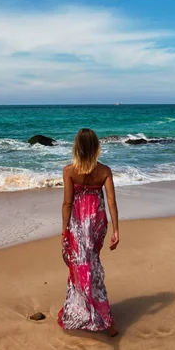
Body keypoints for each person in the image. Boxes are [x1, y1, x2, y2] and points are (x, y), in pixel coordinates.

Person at [58, 128, 119, 335]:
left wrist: (64, 230)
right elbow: (111, 201)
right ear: (95, 148)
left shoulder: (69, 171)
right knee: (90, 264)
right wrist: (116, 230)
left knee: (82, 266)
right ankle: (89, 312)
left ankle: (101, 317)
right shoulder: (104, 171)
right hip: (97, 222)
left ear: (77, 147)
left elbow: (67, 203)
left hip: (78, 223)